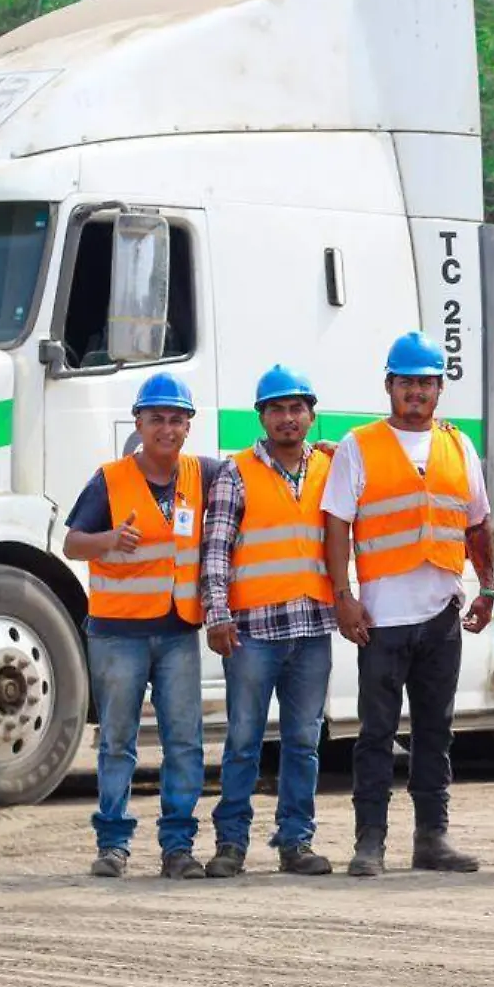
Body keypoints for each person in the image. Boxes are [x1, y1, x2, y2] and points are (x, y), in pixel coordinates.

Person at [322, 330, 494, 876]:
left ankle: (431, 838)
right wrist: (344, 597)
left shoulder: (457, 446)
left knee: (434, 731)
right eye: (406, 383)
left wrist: (488, 587)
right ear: (389, 386)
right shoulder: (359, 446)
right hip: (381, 619)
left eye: (425, 383)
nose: (416, 392)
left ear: (439, 389)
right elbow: (336, 527)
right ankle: (369, 841)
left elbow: (477, 524)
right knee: (375, 733)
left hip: (440, 614)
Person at [63, 372, 222, 880]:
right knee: (116, 741)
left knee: (183, 741)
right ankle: (113, 846)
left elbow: (257, 469)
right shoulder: (109, 479)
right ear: (139, 422)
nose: (167, 430)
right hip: (117, 633)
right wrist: (109, 539)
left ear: (189, 425)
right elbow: (72, 544)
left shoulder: (205, 475)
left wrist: (323, 451)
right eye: (157, 419)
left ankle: (178, 848)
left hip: (177, 630)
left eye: (177, 420)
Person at [199, 364, 336, 878]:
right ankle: (230, 843)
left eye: (296, 408)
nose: (287, 418)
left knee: (304, 742)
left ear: (310, 415)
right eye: (276, 409)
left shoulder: (328, 469)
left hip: (312, 630)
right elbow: (216, 552)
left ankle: (295, 841)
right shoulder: (236, 472)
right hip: (253, 632)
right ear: (261, 417)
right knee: (243, 742)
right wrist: (217, 614)